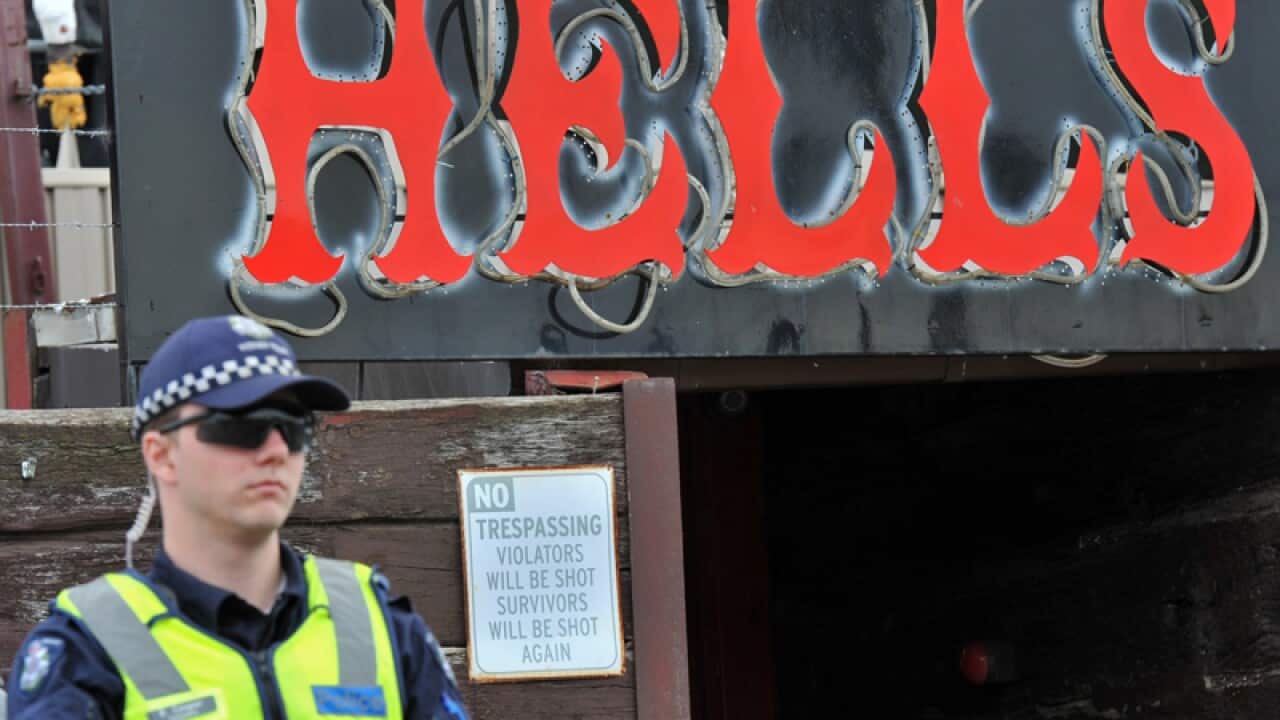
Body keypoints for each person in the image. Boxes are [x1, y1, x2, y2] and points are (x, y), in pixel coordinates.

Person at [6, 314, 469, 719]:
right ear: (161, 455)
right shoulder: (84, 651)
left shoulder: (382, 626)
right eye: (240, 425)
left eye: (294, 428)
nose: (275, 450)